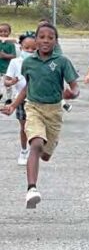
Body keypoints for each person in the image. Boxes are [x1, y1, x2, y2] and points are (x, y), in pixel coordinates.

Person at [0, 23, 79, 209]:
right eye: (41, 37)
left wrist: (72, 94)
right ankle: (32, 189)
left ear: (56, 41)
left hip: (54, 112)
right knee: (35, 144)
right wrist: (13, 106)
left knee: (45, 155)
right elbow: (28, 87)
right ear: (36, 41)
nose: (45, 40)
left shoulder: (62, 61)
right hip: (33, 108)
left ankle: (50, 143)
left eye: (50, 38)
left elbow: (74, 86)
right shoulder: (28, 63)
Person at [4, 32, 37, 165]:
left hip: (37, 99)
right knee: (24, 127)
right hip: (20, 100)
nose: (30, 51)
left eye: (33, 49)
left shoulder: (40, 62)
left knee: (36, 127)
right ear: (20, 47)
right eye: (26, 48)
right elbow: (6, 81)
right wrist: (11, 82)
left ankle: (35, 150)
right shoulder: (15, 62)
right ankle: (24, 151)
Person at [37, 18, 72, 113]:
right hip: (39, 70)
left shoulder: (54, 45)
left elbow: (59, 56)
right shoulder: (37, 41)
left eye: (45, 25)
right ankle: (63, 104)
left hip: (52, 69)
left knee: (55, 88)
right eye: (40, 26)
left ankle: (63, 103)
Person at [0, 22, 17, 105]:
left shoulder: (10, 44)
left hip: (7, 68)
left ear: (9, 32)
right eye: (0, 31)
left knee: (7, 84)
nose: (3, 33)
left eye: (5, 31)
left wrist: (4, 55)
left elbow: (14, 56)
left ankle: (9, 98)